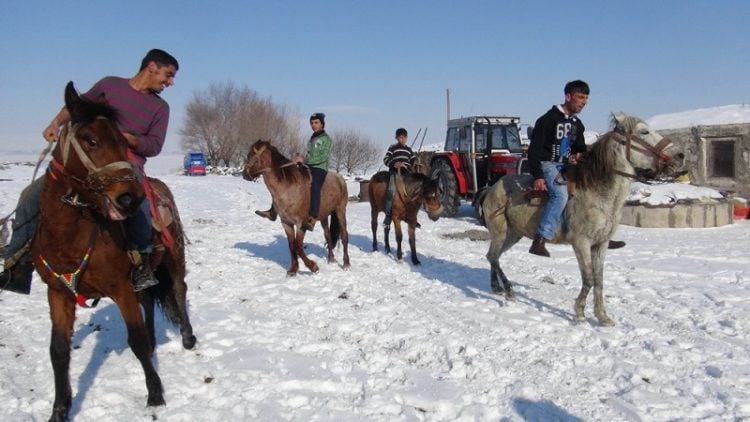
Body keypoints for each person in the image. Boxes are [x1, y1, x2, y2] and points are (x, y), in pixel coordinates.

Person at [0, 48, 179, 294]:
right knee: (31, 195)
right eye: (168, 75)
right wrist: (55, 123)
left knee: (142, 206)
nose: (170, 82)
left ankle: (141, 266)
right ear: (151, 66)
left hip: (126, 165)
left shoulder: (161, 108)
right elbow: (77, 107)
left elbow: (155, 145)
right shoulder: (110, 85)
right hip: (87, 162)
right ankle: (17, 265)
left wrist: (128, 139)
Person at [527, 80, 625, 257]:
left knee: (592, 189)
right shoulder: (547, 120)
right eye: (580, 97)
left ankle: (600, 235)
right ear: (568, 96)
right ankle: (540, 238)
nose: (583, 102)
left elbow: (579, 148)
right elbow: (533, 150)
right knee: (560, 194)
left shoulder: (577, 125)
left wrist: (581, 154)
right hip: (548, 164)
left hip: (566, 165)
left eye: (586, 99)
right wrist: (538, 176)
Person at [294, 112, 332, 231]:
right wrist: (300, 160)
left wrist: (305, 160)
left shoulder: (326, 139)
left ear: (322, 124)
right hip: (309, 166)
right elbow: (309, 154)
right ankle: (274, 210)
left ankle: (313, 218)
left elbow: (323, 156)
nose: (313, 125)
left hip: (320, 168)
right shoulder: (312, 139)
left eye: (316, 123)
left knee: (315, 186)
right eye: (311, 123)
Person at [382, 127, 416, 228]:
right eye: (400, 137)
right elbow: (386, 159)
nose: (402, 139)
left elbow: (413, 160)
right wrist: (394, 163)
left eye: (404, 137)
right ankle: (388, 216)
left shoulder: (409, 150)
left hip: (406, 175)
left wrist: (416, 164)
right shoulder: (393, 148)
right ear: (396, 138)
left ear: (407, 138)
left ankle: (411, 216)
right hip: (395, 173)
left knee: (414, 193)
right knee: (391, 191)